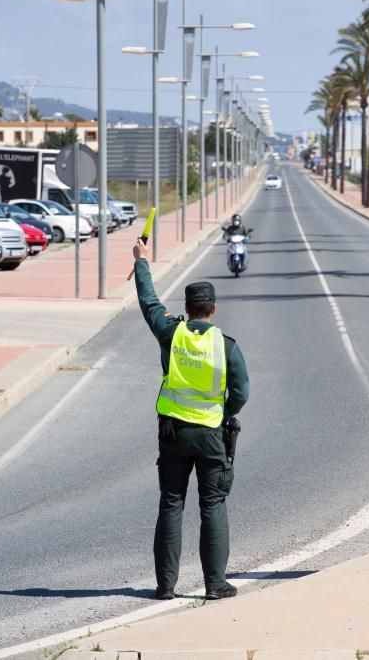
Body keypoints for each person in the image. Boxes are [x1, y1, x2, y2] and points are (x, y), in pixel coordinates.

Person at [133, 237, 249, 601]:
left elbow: (149, 302)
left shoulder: (172, 333)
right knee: (212, 505)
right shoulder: (226, 345)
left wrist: (141, 261)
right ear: (213, 308)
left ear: (187, 307)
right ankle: (215, 585)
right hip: (211, 435)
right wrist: (222, 413)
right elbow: (241, 393)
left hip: (173, 434)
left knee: (171, 501)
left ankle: (165, 586)